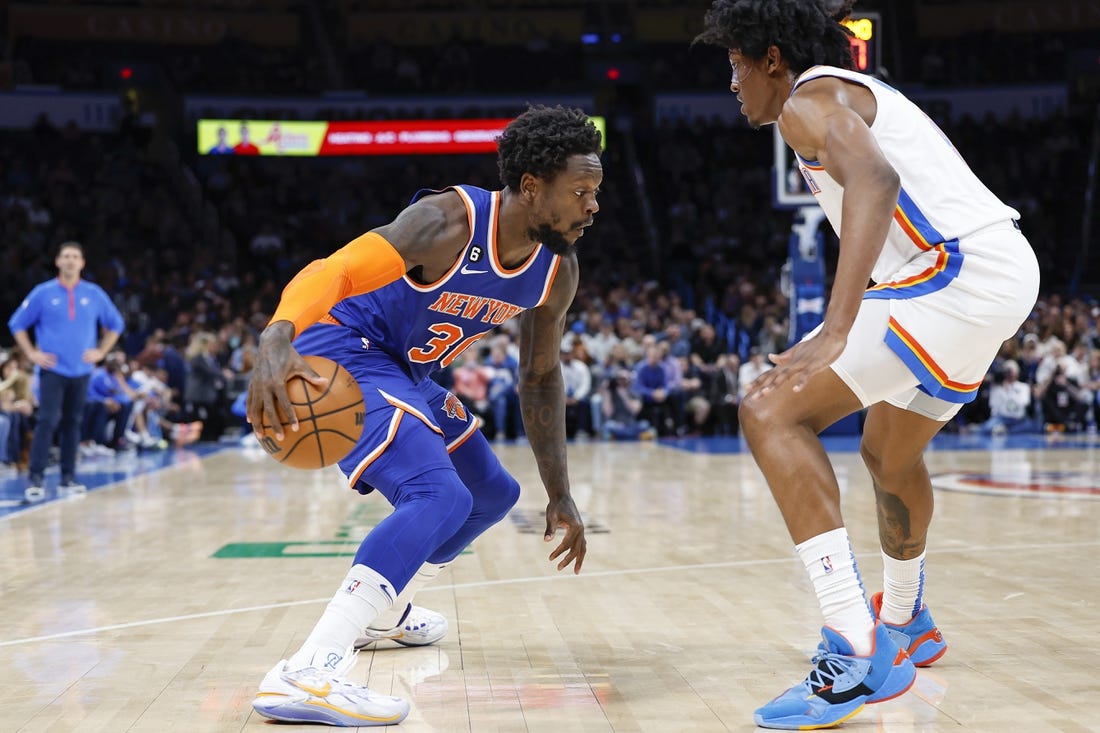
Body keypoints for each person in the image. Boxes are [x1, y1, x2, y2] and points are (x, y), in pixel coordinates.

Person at [696, 1, 1040, 729]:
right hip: (997, 271)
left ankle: (853, 652)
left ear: (772, 59)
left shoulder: (807, 100)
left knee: (768, 408)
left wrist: (837, 323)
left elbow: (875, 184)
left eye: (735, 65)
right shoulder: (842, 91)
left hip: (953, 271)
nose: (732, 85)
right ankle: (908, 618)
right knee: (889, 453)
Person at [246, 105, 599, 726]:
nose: (593, 206)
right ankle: (311, 668)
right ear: (530, 187)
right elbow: (339, 269)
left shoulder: (555, 269)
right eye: (580, 192)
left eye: (595, 192)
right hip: (341, 346)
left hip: (407, 372)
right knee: (439, 497)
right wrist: (278, 336)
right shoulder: (448, 222)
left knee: (490, 494)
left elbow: (540, 378)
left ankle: (388, 607)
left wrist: (561, 494)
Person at [7, 241, 125, 501]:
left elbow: (116, 323)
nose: (70, 261)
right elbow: (16, 323)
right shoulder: (43, 293)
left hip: (81, 370)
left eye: (75, 257)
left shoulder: (93, 294)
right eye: (66, 256)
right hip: (52, 370)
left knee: (74, 424)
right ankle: (36, 479)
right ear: (58, 262)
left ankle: (67, 478)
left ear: (82, 263)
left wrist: (101, 352)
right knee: (47, 421)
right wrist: (31, 353)